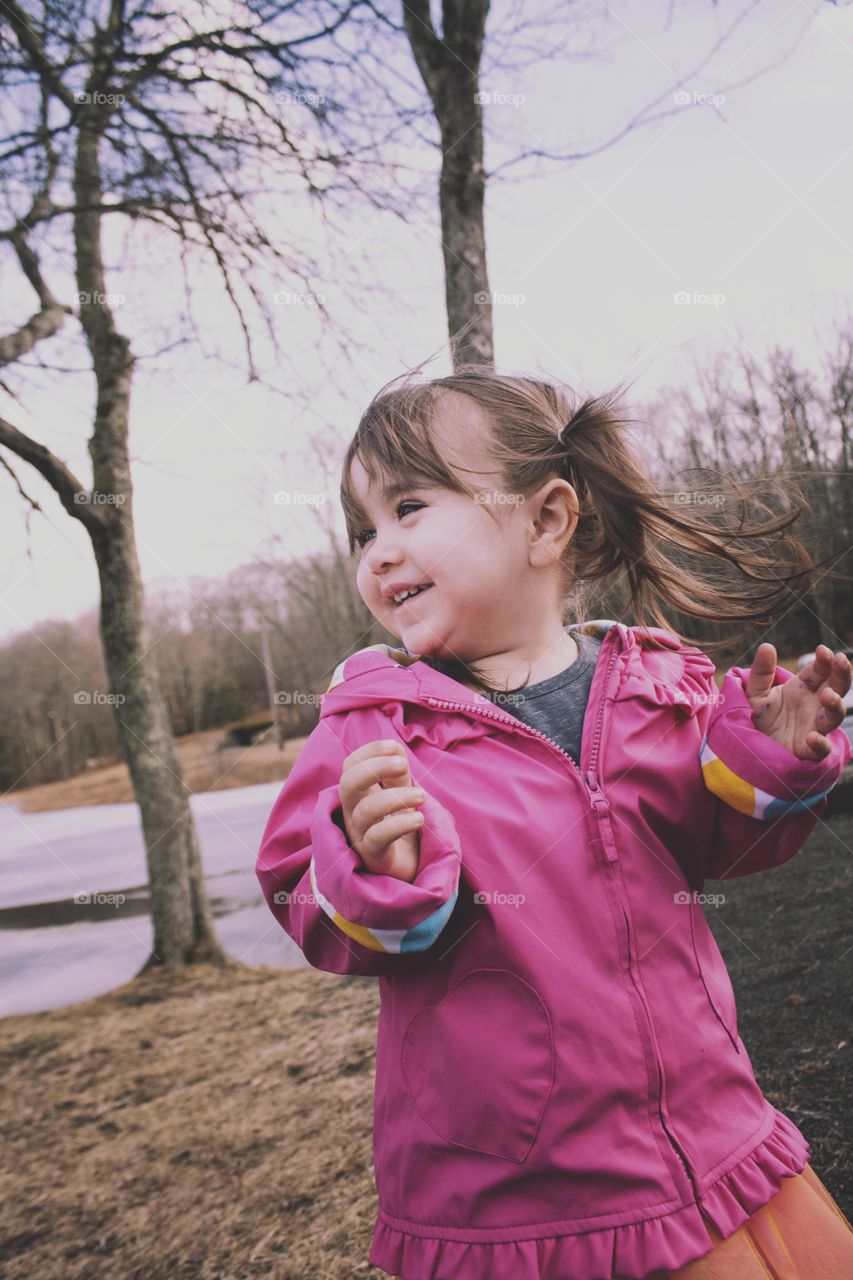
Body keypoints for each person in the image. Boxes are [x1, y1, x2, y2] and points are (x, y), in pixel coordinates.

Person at [255, 366, 853, 1280]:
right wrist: (369, 867)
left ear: (544, 521)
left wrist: (771, 759)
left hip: (717, 1143)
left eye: (410, 507)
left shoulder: (657, 683)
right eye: (362, 529)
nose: (375, 552)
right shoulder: (373, 725)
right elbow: (303, 894)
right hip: (522, 1206)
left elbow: (720, 845)